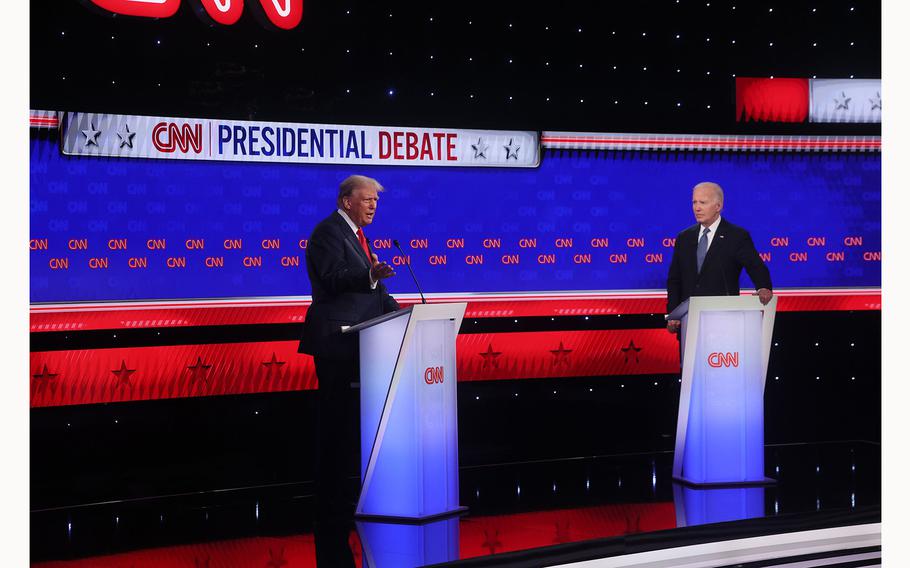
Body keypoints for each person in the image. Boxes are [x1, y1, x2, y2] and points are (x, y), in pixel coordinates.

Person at [298, 174, 400, 518]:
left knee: (347, 422)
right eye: (367, 199)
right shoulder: (329, 232)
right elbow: (334, 278)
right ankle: (330, 500)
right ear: (347, 202)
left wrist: (405, 315)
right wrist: (370, 276)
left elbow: (372, 290)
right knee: (335, 422)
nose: (374, 205)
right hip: (335, 342)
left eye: (376, 200)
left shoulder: (358, 236)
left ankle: (344, 494)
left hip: (355, 343)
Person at [666, 182, 772, 334]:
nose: (697, 208)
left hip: (723, 320)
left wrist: (763, 287)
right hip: (690, 321)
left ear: (718, 206)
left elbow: (755, 266)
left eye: (703, 202)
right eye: (694, 202)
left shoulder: (737, 236)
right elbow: (675, 279)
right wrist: (673, 313)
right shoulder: (684, 237)